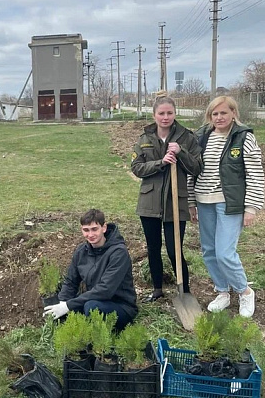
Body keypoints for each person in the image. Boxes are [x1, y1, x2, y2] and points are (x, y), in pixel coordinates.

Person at [188, 96, 264, 317]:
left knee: (225, 253)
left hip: (229, 203)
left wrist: (251, 208)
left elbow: (255, 175)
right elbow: (192, 171)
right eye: (215, 114)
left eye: (223, 113)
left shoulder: (244, 138)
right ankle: (222, 291)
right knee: (209, 251)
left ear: (233, 113)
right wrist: (192, 203)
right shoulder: (201, 137)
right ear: (209, 116)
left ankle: (244, 291)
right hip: (204, 201)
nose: (219, 117)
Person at [131, 93, 202, 303]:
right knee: (153, 248)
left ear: (175, 114)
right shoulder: (144, 139)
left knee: (174, 249)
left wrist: (181, 152)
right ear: (154, 115)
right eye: (161, 113)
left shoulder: (187, 137)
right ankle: (157, 289)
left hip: (175, 202)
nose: (165, 117)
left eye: (169, 113)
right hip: (149, 202)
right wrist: (160, 162)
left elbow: (197, 167)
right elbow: (136, 168)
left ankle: (185, 290)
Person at [43, 209, 138, 332]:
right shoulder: (81, 251)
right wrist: (62, 303)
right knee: (56, 307)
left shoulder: (118, 253)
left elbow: (105, 290)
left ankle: (101, 338)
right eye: (86, 230)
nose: (90, 234)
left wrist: (68, 305)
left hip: (120, 306)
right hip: (94, 299)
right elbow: (71, 282)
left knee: (91, 307)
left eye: (94, 229)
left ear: (103, 228)